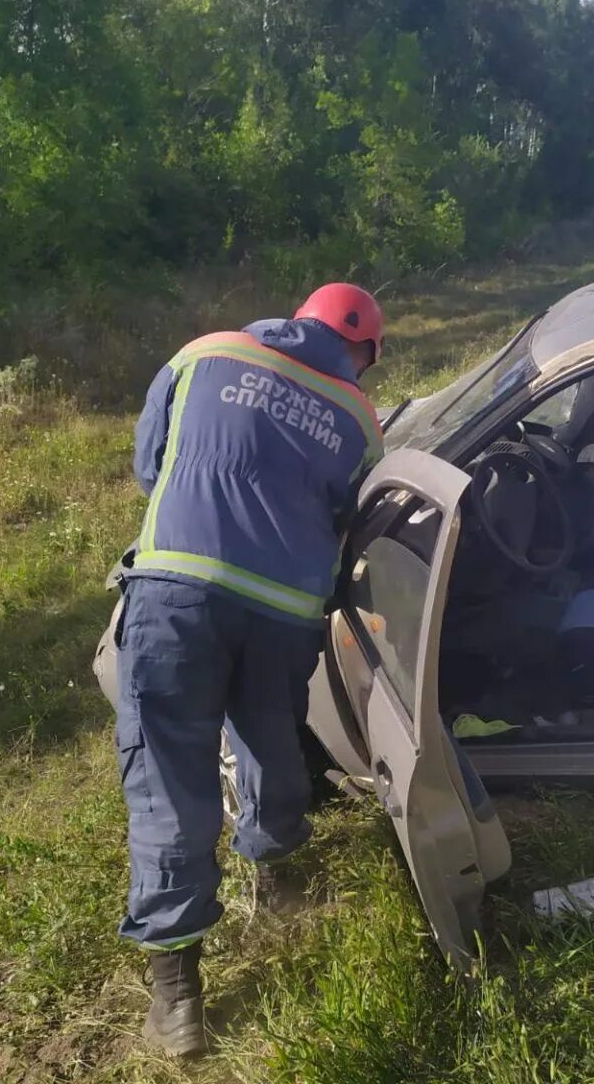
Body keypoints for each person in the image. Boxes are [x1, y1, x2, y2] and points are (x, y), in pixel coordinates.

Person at [115, 283, 384, 1058]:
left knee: (171, 776)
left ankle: (177, 997)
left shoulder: (205, 352)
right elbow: (350, 520)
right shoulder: (359, 417)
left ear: (300, 317)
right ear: (362, 351)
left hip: (176, 593)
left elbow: (149, 465)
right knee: (271, 740)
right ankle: (277, 883)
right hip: (282, 613)